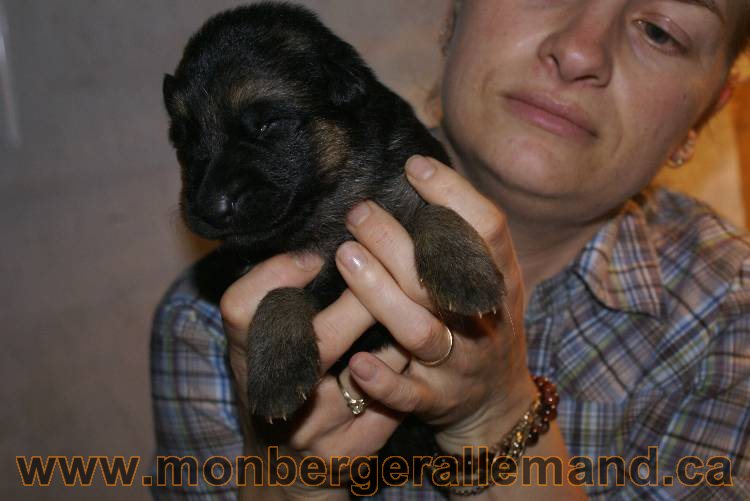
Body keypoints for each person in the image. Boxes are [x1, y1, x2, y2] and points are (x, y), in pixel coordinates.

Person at [150, 1, 750, 499]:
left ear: (709, 110)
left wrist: (494, 420)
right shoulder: (206, 323)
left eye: (659, 30)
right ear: (454, 10)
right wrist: (285, 484)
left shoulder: (733, 323)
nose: (579, 53)